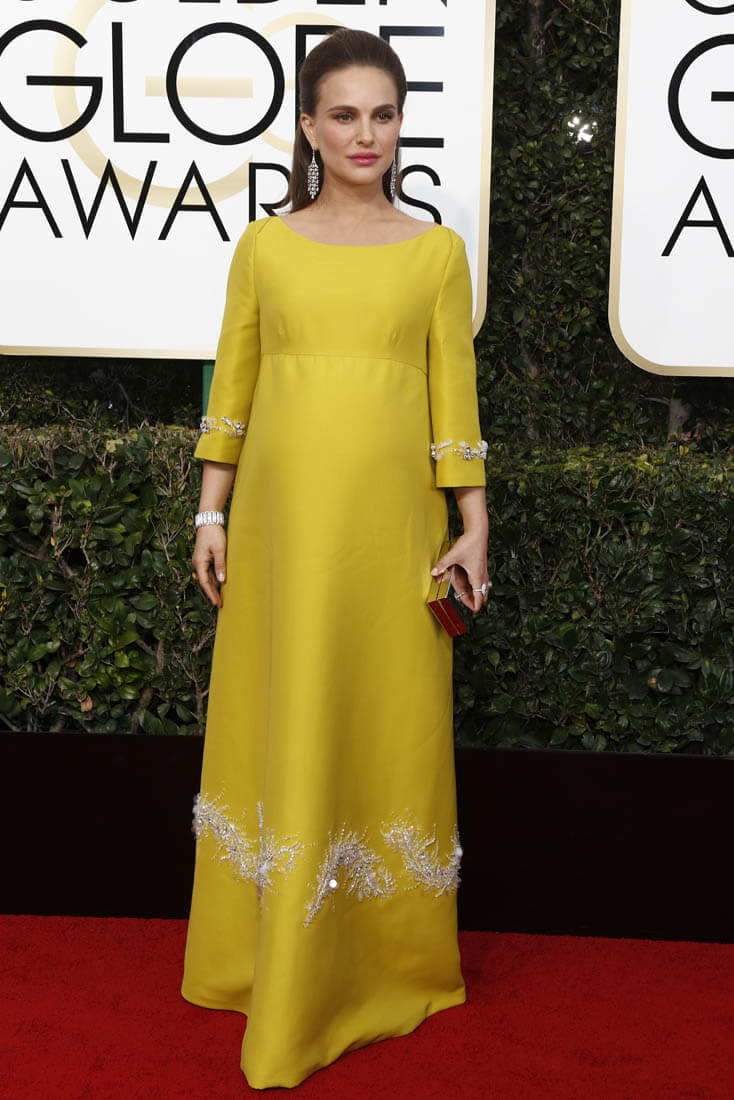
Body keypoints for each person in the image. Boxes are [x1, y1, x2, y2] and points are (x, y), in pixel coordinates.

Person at [181, 27, 489, 1090]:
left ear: (401, 124)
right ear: (308, 126)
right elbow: (233, 387)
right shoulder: (264, 248)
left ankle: (386, 959)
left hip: (390, 530)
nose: (366, 134)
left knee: (384, 715)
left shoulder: (436, 253)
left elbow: (453, 402)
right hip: (281, 531)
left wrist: (472, 523)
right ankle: (264, 958)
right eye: (345, 114)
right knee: (288, 703)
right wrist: (209, 515)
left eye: (383, 114)